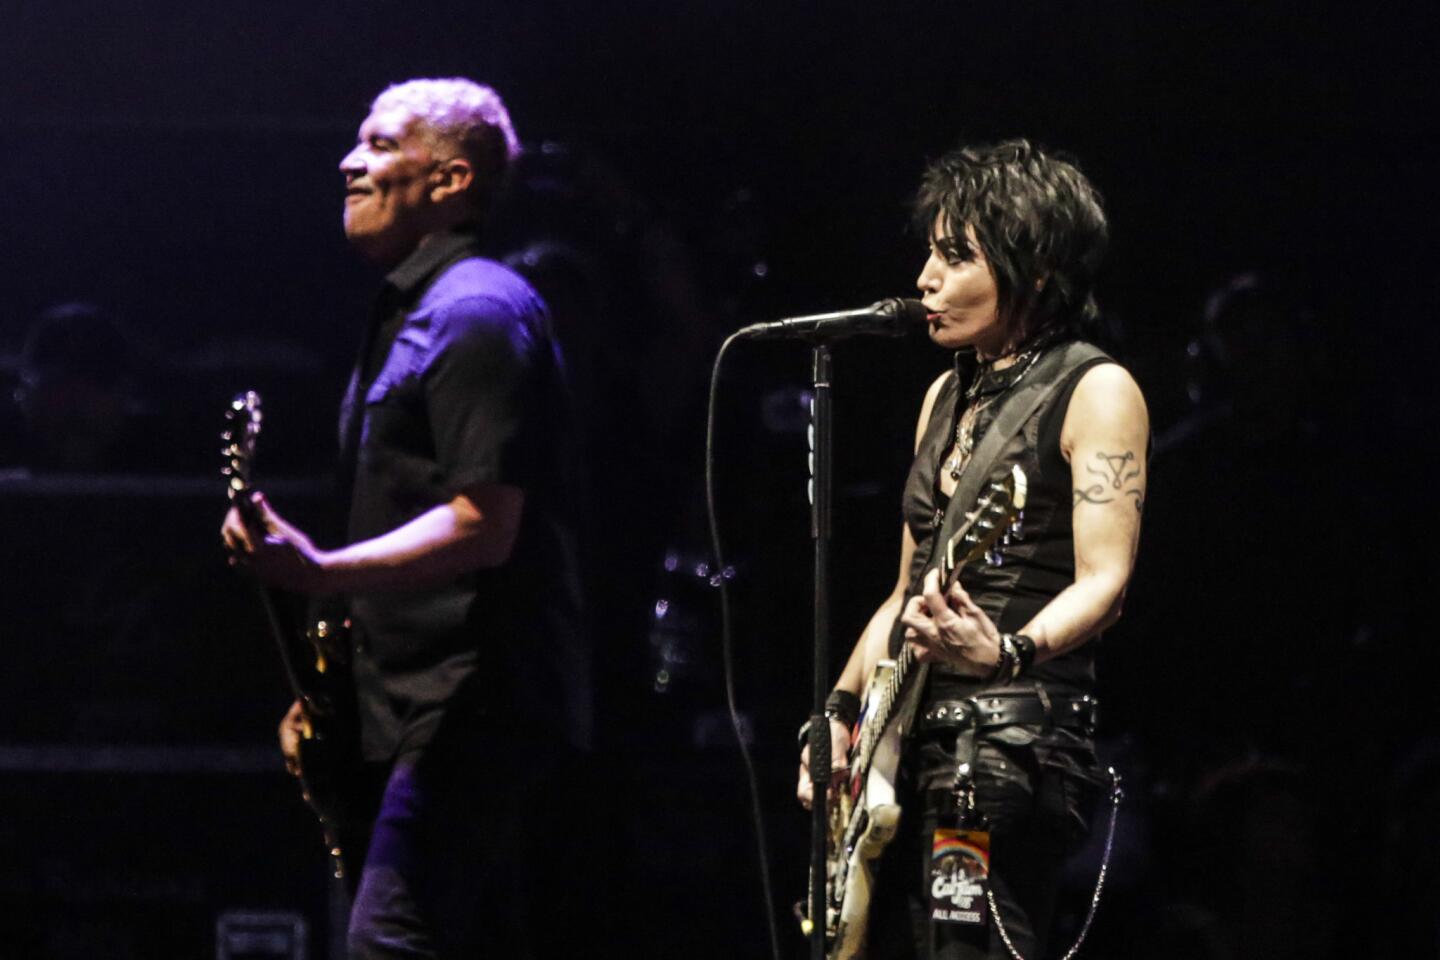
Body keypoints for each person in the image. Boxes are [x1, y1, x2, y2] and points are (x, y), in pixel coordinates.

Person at [222, 77, 590, 958]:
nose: (352, 162)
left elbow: (481, 523)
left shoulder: (476, 311)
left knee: (390, 942)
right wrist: (326, 690)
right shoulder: (409, 314)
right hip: (407, 701)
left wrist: (319, 569)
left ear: (452, 180)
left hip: (474, 705)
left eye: (383, 145)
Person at [796, 140, 1148, 959]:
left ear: (1034, 270)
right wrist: (839, 714)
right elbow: (904, 593)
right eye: (930, 252)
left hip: (1010, 742)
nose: (925, 278)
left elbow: (1107, 580)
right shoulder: (942, 395)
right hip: (910, 735)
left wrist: (1010, 648)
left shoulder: (1095, 388)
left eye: (956, 257)